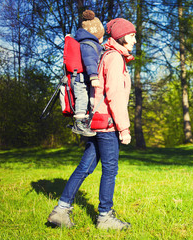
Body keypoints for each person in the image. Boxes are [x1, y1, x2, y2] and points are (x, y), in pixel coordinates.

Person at [47, 17, 137, 230]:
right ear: (122, 37)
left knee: (86, 166)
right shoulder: (114, 58)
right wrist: (124, 129)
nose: (135, 40)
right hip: (107, 123)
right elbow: (114, 96)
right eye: (132, 35)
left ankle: (60, 210)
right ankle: (105, 217)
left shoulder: (108, 54)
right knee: (110, 169)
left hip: (97, 120)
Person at [72, 10, 104, 137]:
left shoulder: (89, 44)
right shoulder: (88, 45)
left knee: (85, 98)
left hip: (83, 78)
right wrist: (94, 76)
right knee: (82, 98)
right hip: (81, 78)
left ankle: (85, 121)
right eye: (101, 36)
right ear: (95, 34)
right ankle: (79, 123)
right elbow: (90, 61)